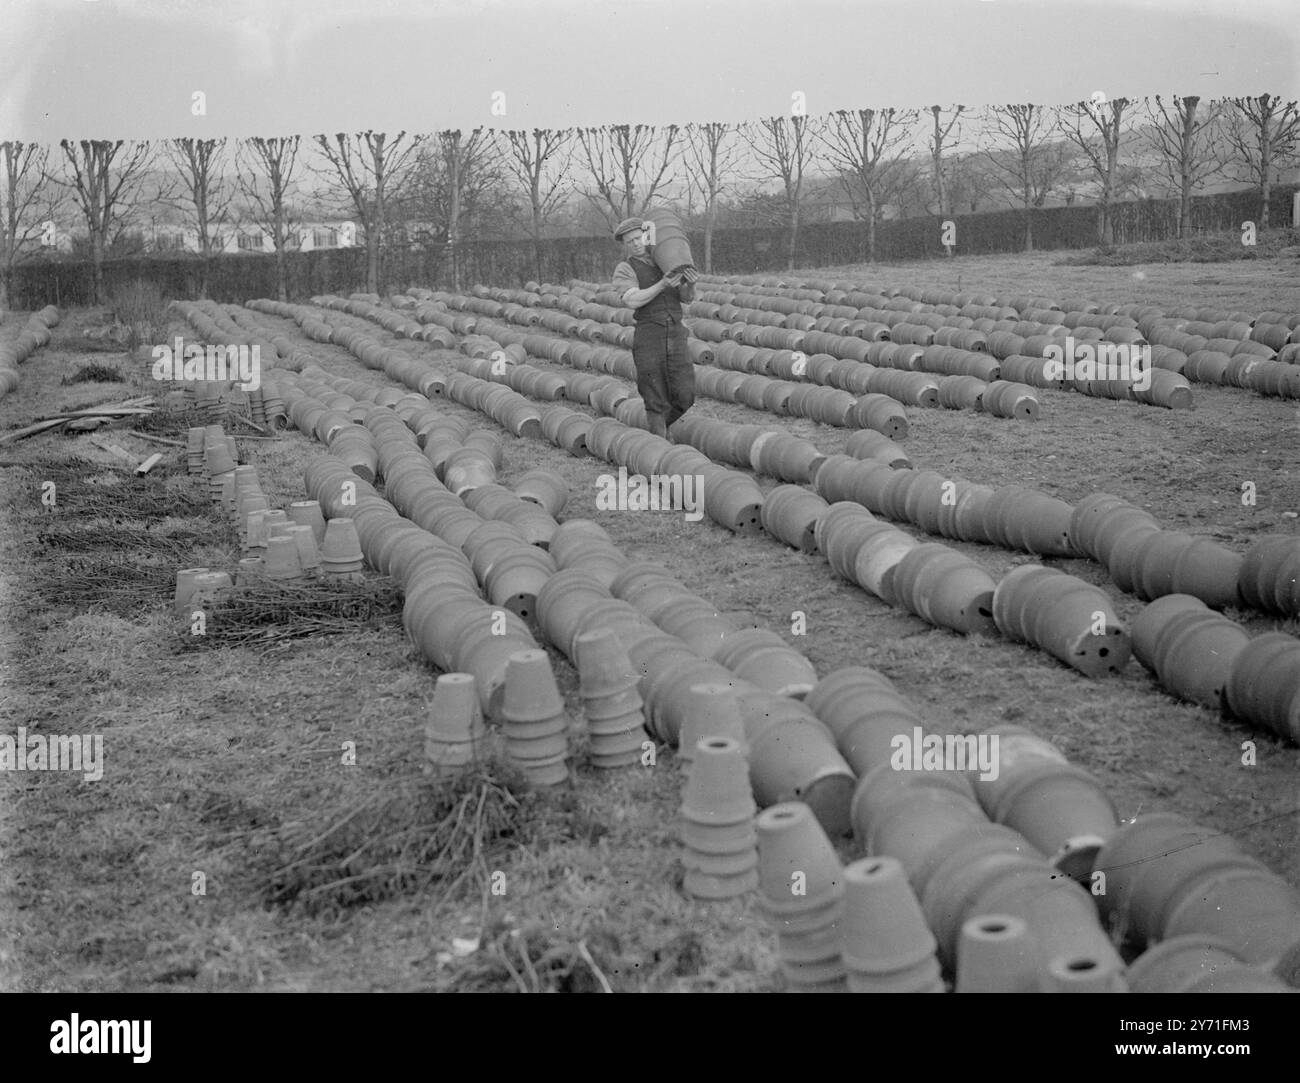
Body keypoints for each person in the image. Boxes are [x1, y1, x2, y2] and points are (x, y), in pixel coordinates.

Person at [610, 217, 700, 441]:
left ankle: (656, 431)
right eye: (629, 241)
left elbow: (686, 299)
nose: (635, 244)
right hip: (650, 335)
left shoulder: (666, 261)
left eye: (638, 238)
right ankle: (659, 444)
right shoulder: (625, 269)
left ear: (647, 237)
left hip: (676, 332)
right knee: (655, 395)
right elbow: (632, 300)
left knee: (686, 394)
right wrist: (661, 285)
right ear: (624, 245)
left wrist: (690, 284)